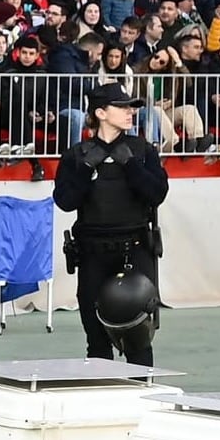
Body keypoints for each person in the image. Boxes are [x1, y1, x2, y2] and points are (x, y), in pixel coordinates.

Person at [53, 80, 167, 365]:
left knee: (138, 336)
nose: (130, 113)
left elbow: (157, 194)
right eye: (122, 107)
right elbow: (65, 201)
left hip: (135, 249)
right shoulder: (77, 155)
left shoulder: (142, 151)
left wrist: (130, 166)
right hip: (93, 252)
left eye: (131, 108)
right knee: (96, 338)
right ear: (100, 113)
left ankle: (142, 398)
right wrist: (85, 170)